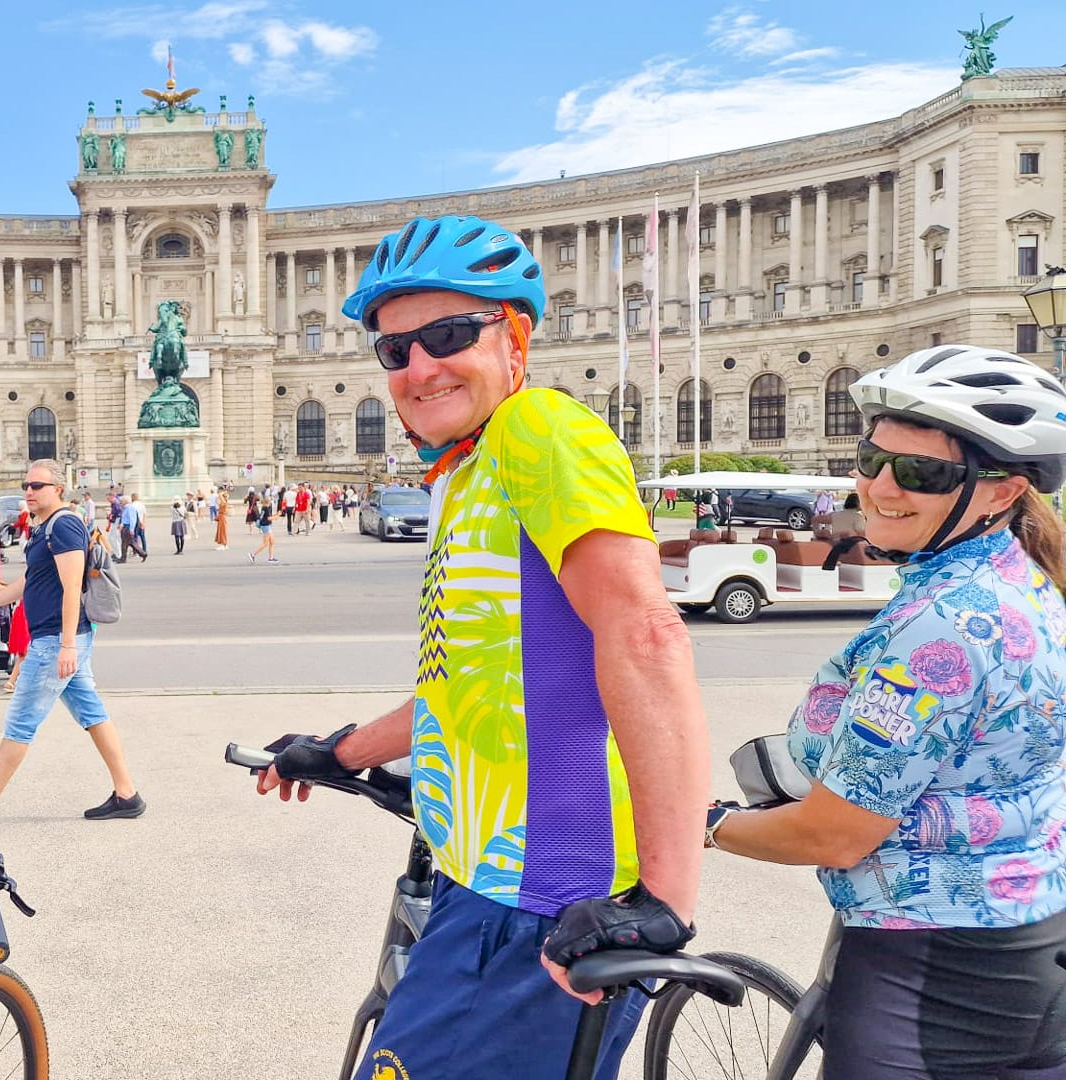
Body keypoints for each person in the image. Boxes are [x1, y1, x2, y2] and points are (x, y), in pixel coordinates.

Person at [253, 215, 708, 1080]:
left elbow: (646, 633)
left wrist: (665, 902)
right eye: (395, 352)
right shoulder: (470, 471)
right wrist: (340, 750)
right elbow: (477, 682)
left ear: (516, 335)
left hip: (539, 904)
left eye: (449, 335)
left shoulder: (538, 430)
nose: (419, 367)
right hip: (486, 887)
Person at [707, 346, 1066, 1078]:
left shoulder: (941, 630)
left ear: (1002, 493)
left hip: (926, 978)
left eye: (919, 473)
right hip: (1034, 949)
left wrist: (708, 827)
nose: (878, 486)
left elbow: (834, 835)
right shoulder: (1026, 584)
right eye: (872, 458)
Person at [0, 460, 143, 830]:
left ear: (58, 489)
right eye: (26, 485)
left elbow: (70, 587)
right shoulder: (44, 527)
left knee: (21, 720)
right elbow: (31, 581)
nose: (29, 491)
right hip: (61, 638)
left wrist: (66, 646)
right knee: (92, 713)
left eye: (37, 486)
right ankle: (127, 794)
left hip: (56, 640)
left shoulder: (62, 525)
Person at [118, 491, 148, 562]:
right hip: (125, 526)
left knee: (125, 543)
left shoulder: (130, 508)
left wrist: (132, 529)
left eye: (121, 501)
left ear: (125, 501)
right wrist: (121, 525)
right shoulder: (126, 508)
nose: (120, 503)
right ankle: (143, 553)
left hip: (127, 527)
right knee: (131, 543)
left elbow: (132, 519)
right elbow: (124, 518)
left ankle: (123, 558)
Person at [249, 495, 278, 564]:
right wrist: (276, 517)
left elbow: (265, 517)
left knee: (272, 542)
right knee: (265, 543)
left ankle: (271, 557)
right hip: (266, 526)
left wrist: (275, 515)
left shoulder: (264, 507)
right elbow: (268, 518)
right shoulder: (266, 508)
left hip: (266, 525)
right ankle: (253, 555)